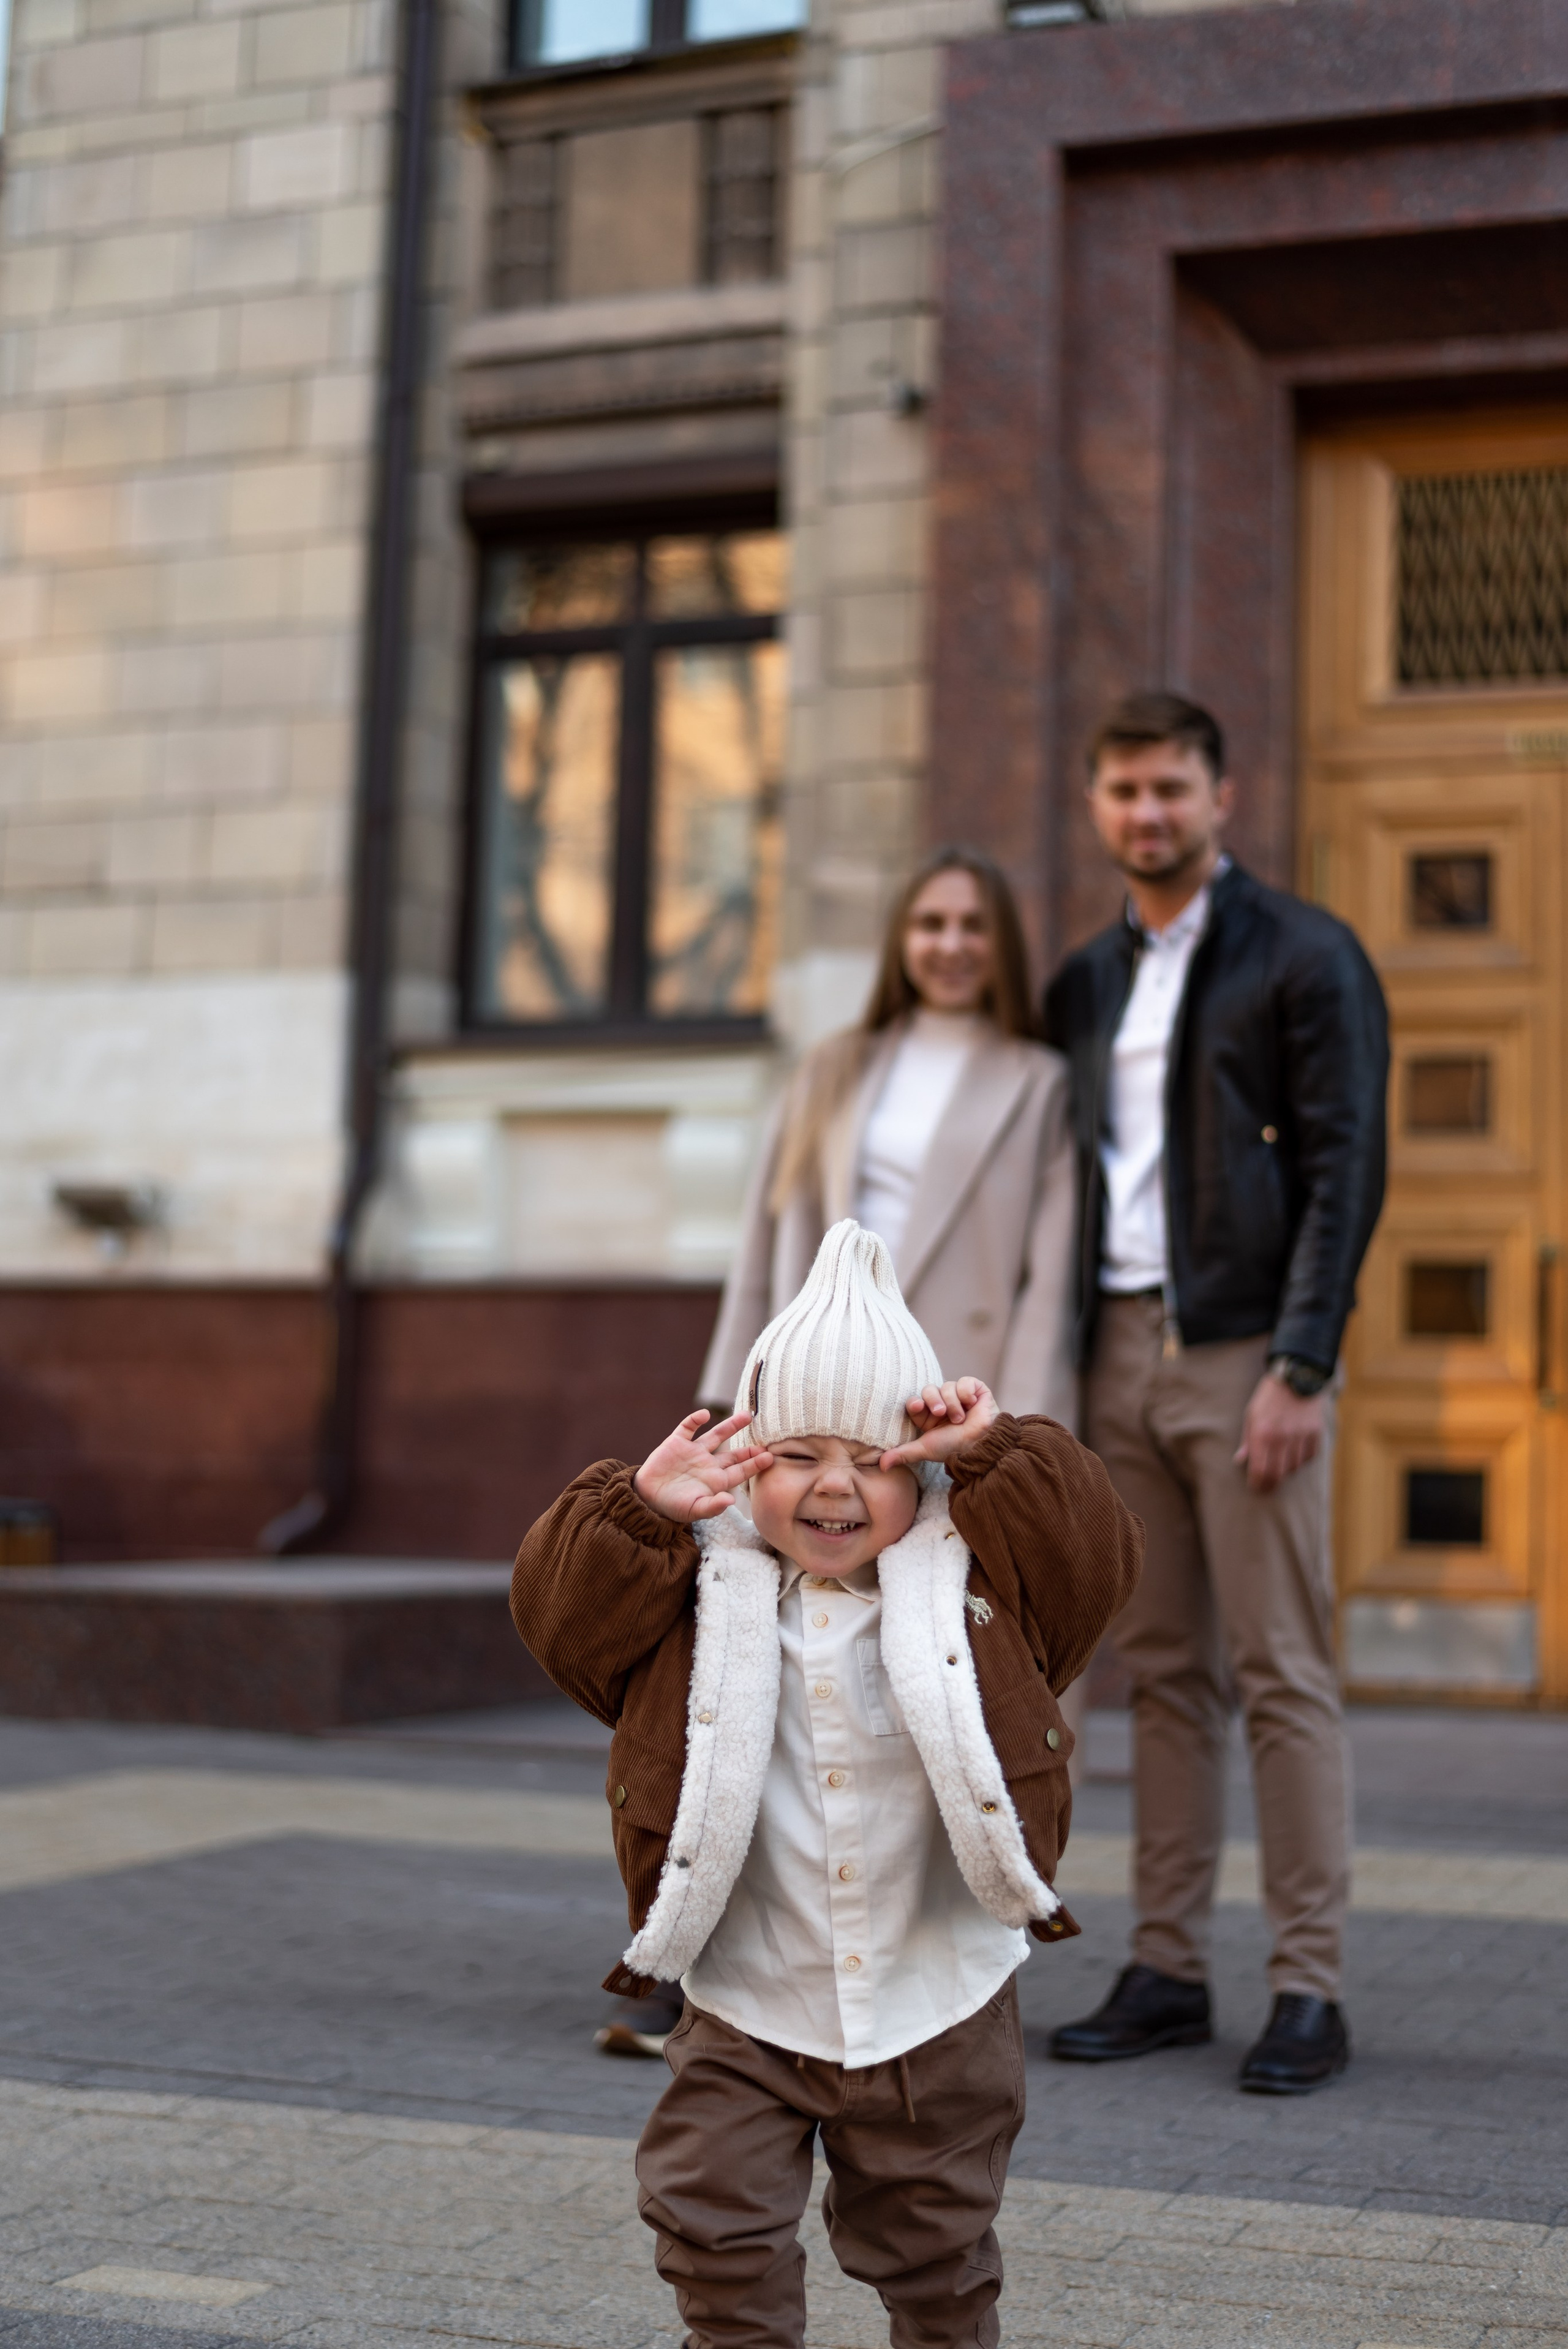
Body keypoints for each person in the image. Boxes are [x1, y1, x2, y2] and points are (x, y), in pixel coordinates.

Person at [511, 1221, 1142, 2349]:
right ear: (749, 1460)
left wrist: (1003, 1454)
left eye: (873, 1460)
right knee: (714, 2227)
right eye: (800, 1453)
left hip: (935, 1991)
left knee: (940, 2260)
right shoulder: (693, 1599)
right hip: (747, 1995)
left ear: (926, 1469)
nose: (835, 1488)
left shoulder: (982, 1593)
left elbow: (1093, 1561)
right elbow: (563, 1630)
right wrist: (641, 1515)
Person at [591, 848, 1079, 2060]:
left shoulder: (1035, 1081)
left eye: (973, 923)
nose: (951, 942)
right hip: (805, 1411)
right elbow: (762, 1240)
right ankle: (692, 1942)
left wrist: (1002, 1442)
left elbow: (1046, 1273)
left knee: (913, 1677)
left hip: (924, 1422)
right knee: (738, 1671)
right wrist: (729, 1400)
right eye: (928, 921)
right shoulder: (830, 1069)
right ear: (899, 941)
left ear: (1000, 945)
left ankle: (921, 1948)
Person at [1042, 690, 1387, 2095]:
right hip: (1115, 1352)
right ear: (1095, 805)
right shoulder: (1083, 981)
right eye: (1122, 790)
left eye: (1170, 788)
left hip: (1247, 1351)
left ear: (1218, 796)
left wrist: (1301, 1363)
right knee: (1162, 1674)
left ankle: (1308, 1985)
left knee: (1281, 1668)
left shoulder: (1303, 952)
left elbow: (1343, 1162)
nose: (1146, 813)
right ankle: (1167, 1964)